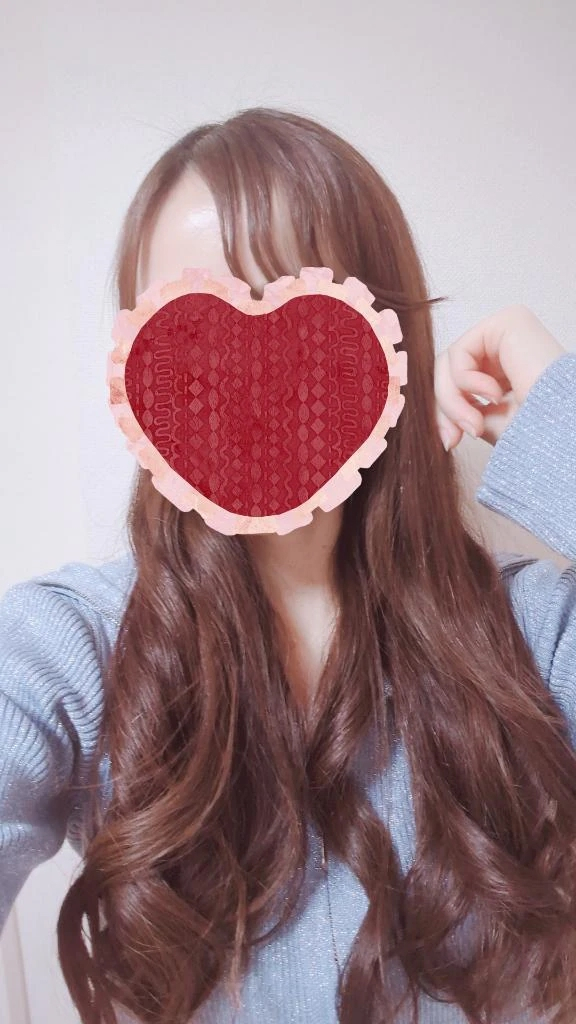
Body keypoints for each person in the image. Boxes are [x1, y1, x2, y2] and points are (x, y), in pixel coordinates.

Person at [1, 106, 575, 1024]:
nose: (252, 381)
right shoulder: (67, 649)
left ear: (389, 344)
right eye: (189, 323)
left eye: (298, 308)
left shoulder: (535, 634)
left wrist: (560, 425)